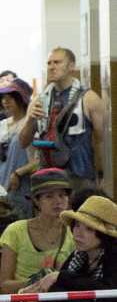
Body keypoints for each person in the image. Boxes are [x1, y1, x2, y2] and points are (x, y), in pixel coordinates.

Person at [20, 47, 105, 193]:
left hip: (79, 177)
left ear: (71, 66)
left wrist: (101, 176)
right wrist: (30, 120)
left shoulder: (89, 99)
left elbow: (100, 142)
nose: (52, 67)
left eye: (57, 62)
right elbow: (23, 142)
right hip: (47, 178)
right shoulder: (39, 100)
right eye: (49, 63)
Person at [0, 168, 74, 294]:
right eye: (49, 196)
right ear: (36, 201)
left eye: (62, 195)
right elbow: (3, 286)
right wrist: (37, 282)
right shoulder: (15, 231)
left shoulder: (75, 232)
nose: (58, 201)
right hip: (22, 300)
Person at [0, 78, 37, 217]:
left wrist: (19, 173)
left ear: (21, 99)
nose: (5, 101)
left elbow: (38, 160)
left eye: (10, 97)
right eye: (3, 98)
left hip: (22, 187)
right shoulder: (0, 125)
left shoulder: (31, 125)